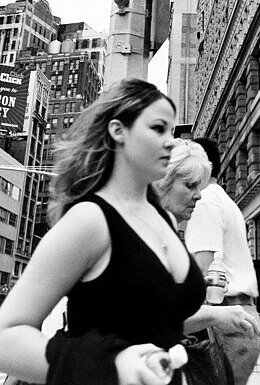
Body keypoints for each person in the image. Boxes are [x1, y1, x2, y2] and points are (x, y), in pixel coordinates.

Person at [0, 80, 208, 385]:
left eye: (171, 131)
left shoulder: (163, 218)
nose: (169, 141)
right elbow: (5, 338)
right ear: (118, 130)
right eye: (158, 128)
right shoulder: (91, 219)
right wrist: (113, 366)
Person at [156, 139, 260, 345]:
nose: (197, 195)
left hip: (225, 319)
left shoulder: (207, 202)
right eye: (190, 185)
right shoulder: (150, 232)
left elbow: (204, 271)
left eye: (198, 185)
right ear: (163, 183)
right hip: (225, 317)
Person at [185, 137, 260, 385]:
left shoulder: (204, 201)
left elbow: (202, 271)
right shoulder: (226, 202)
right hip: (238, 318)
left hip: (223, 323)